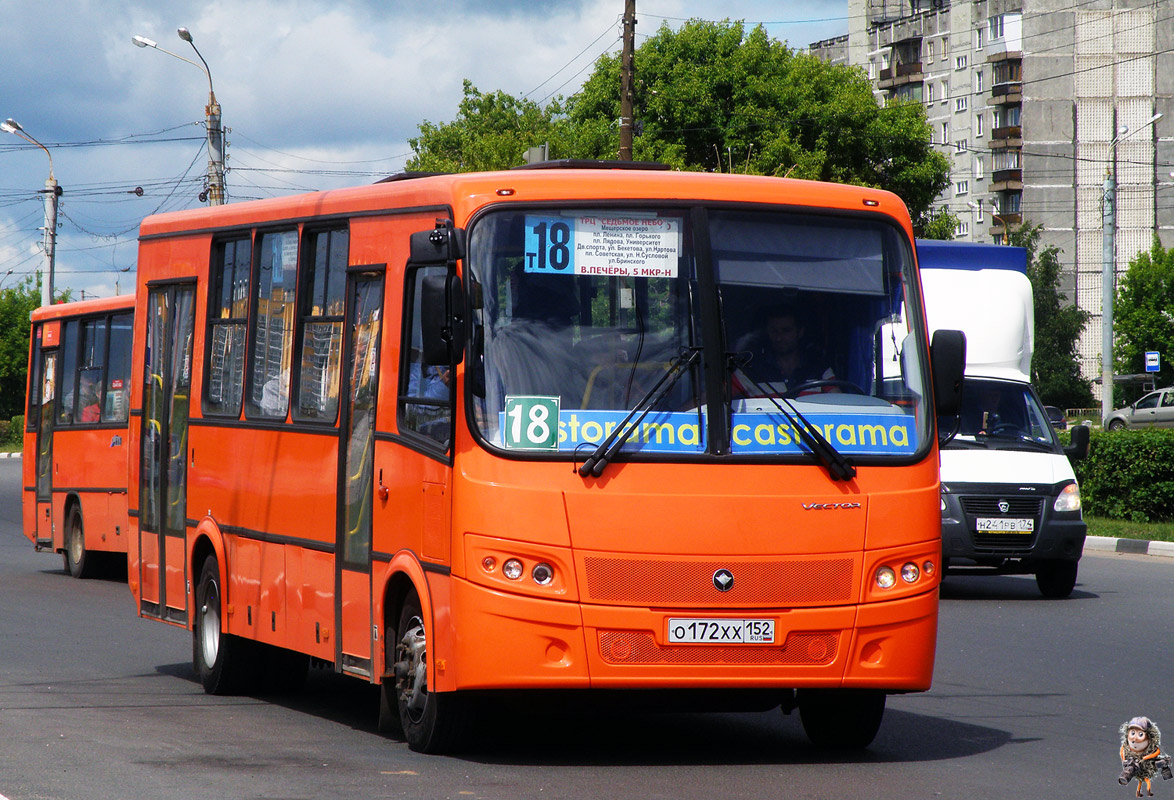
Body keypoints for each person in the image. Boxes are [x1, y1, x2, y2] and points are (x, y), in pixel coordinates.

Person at [739, 307, 835, 394]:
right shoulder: (751, 369)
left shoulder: (818, 367)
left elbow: (837, 403)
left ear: (800, 332)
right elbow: (725, 400)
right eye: (774, 331)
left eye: (786, 331)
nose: (779, 338)